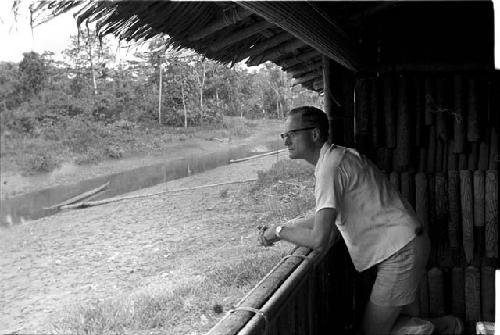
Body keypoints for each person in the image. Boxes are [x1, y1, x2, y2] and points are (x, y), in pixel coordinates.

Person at [258, 106, 461, 335]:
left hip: (401, 252)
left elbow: (319, 239)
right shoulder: (338, 156)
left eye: (292, 134)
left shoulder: (329, 168)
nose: (286, 142)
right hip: (406, 244)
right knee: (395, 321)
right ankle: (448, 326)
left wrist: (278, 231)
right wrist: (287, 227)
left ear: (314, 134)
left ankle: (441, 328)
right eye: (284, 136)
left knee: (372, 332)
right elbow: (325, 216)